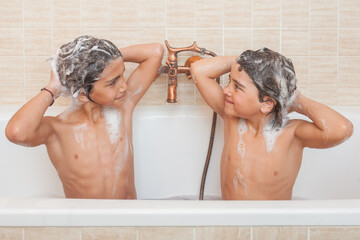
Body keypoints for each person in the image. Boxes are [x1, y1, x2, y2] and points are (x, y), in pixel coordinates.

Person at [5, 35, 164, 199]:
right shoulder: (57, 130)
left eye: (122, 75)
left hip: (129, 218)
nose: (124, 86)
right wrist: (52, 88)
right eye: (112, 82)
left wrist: (103, 61)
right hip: (86, 222)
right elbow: (16, 132)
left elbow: (155, 52)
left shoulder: (122, 108)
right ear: (82, 94)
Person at [190, 48, 353, 200]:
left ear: (267, 103)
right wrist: (253, 63)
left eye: (237, 87)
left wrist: (296, 100)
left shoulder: (292, 134)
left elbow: (342, 130)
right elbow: (199, 70)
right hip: (231, 221)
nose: (226, 90)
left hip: (272, 225)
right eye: (229, 81)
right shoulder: (232, 117)